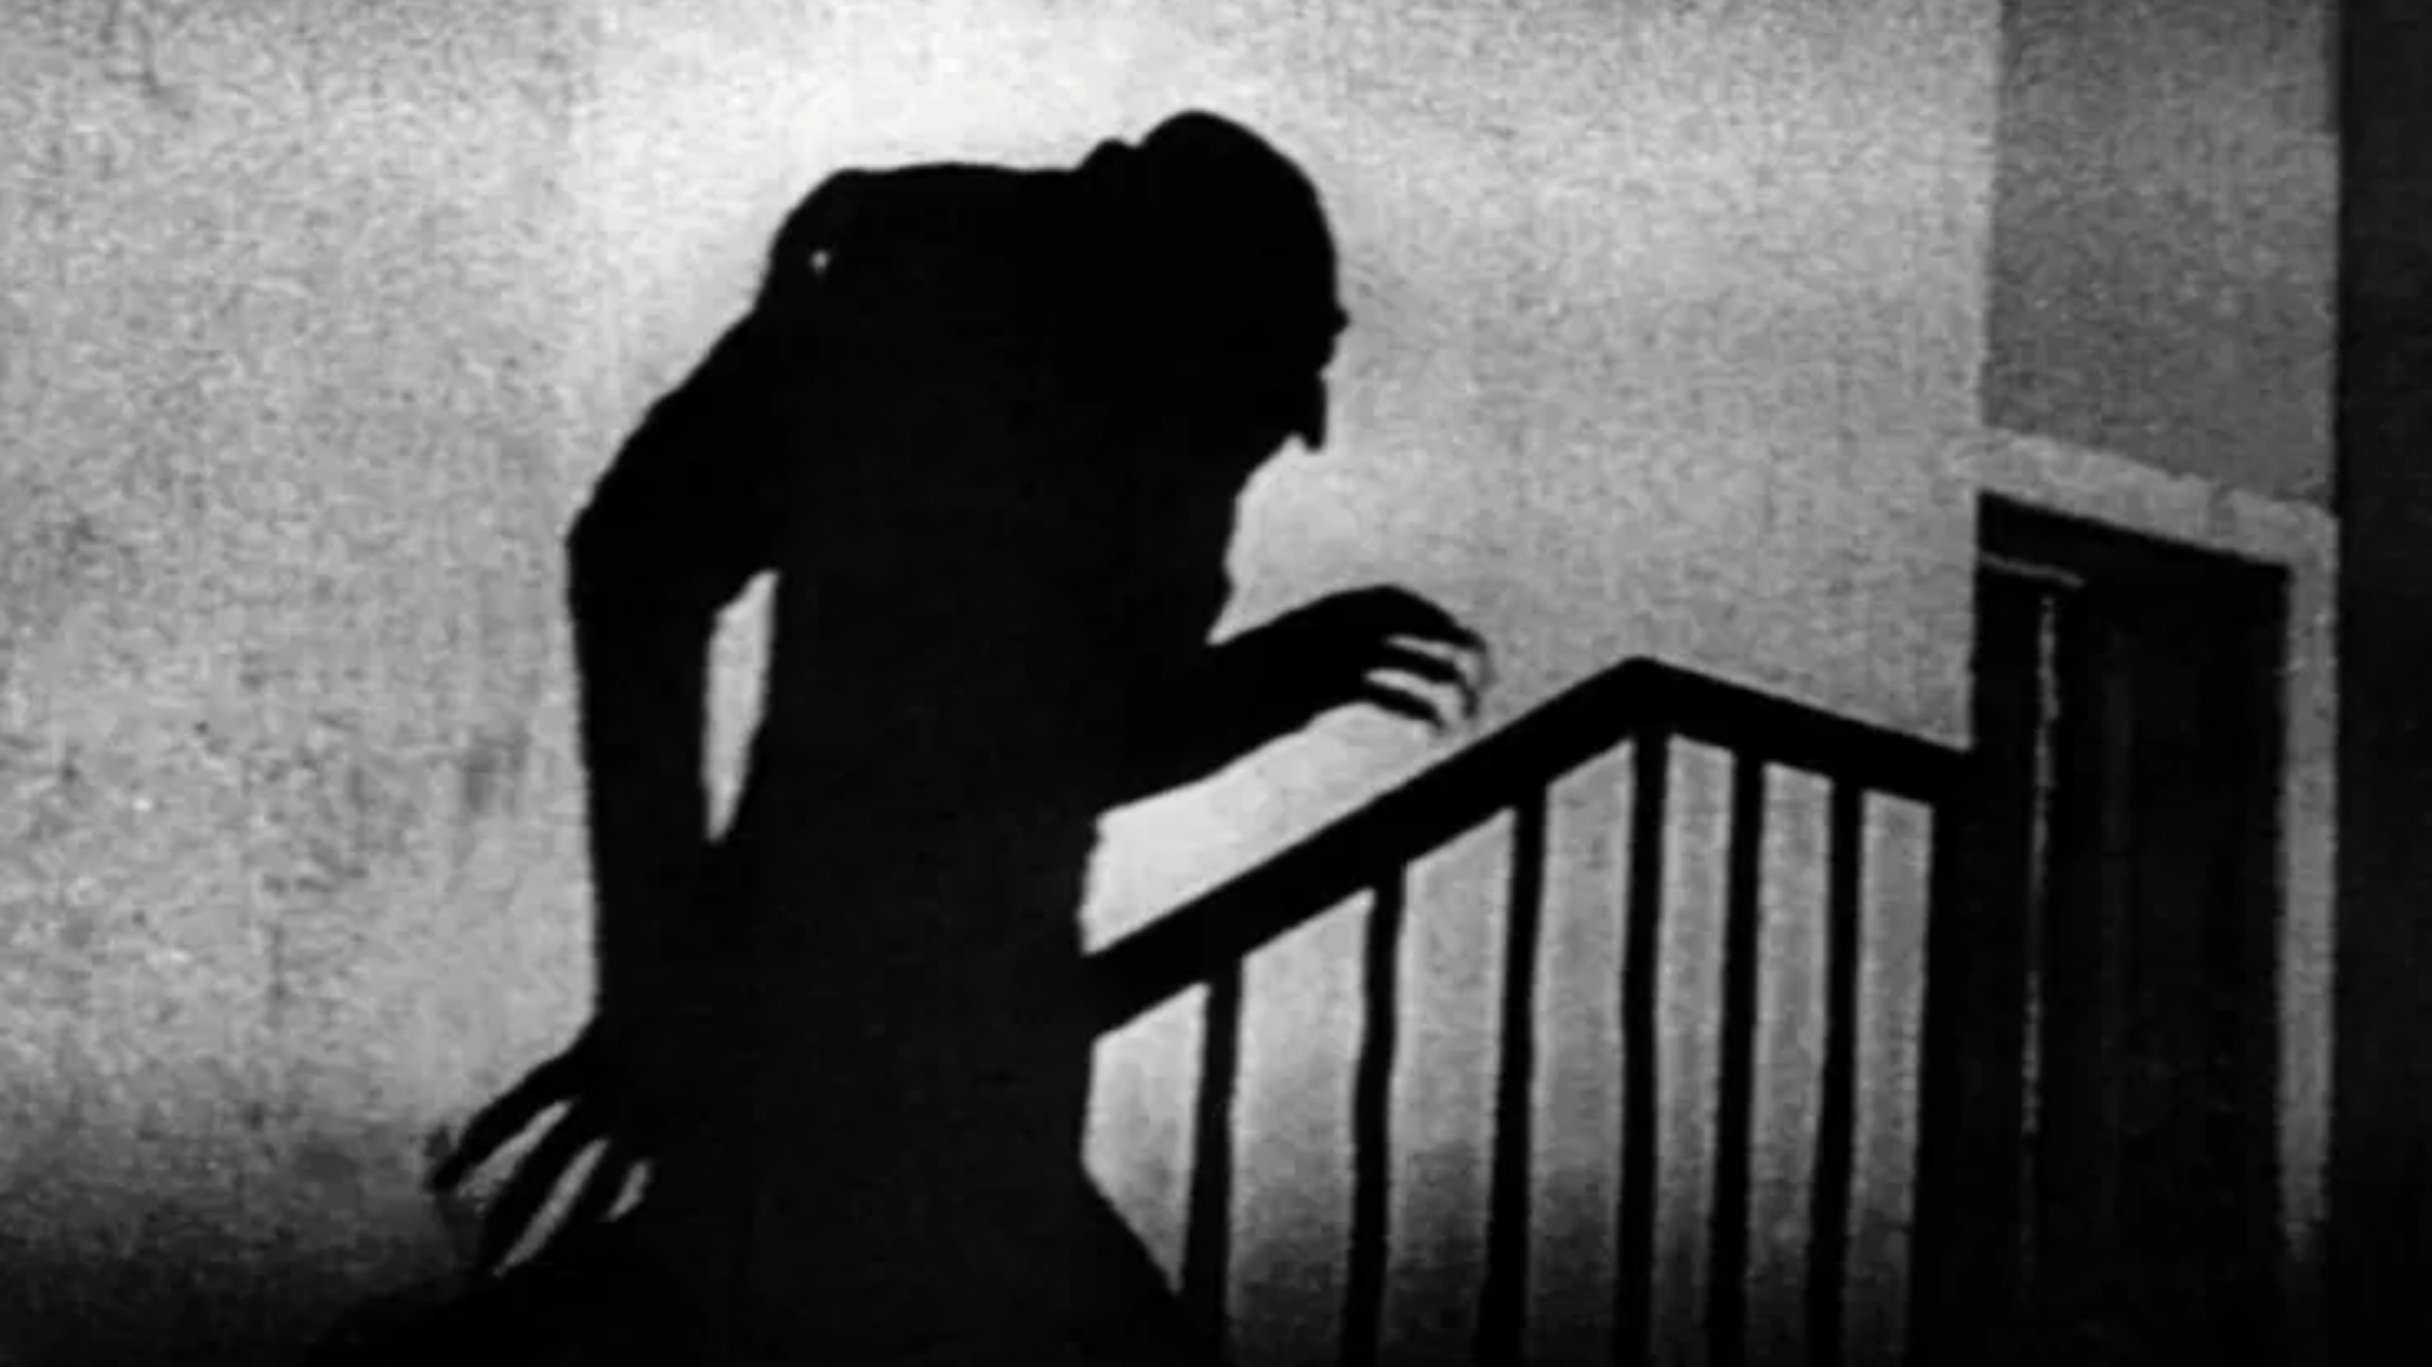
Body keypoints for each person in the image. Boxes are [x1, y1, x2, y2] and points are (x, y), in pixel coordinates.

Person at [370, 111, 1487, 1366]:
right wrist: (656, 978)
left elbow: (1035, 744)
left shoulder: (1104, 391)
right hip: (837, 1025)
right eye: (1263, 399)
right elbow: (645, 559)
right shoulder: (930, 319)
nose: (1263, 447)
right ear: (1191, 324)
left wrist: (1280, 678)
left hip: (964, 1032)